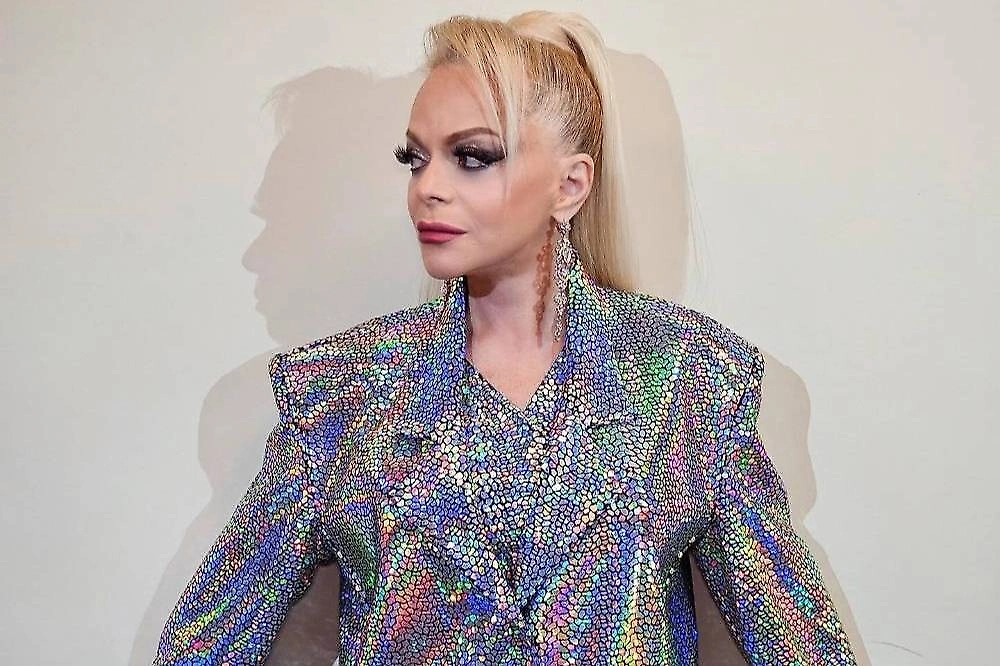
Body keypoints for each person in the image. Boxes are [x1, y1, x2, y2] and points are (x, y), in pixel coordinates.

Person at [153, 10, 858, 666]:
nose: (427, 187)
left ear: (570, 185)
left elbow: (801, 645)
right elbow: (203, 643)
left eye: (473, 156)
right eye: (414, 158)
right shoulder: (343, 392)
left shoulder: (686, 380)